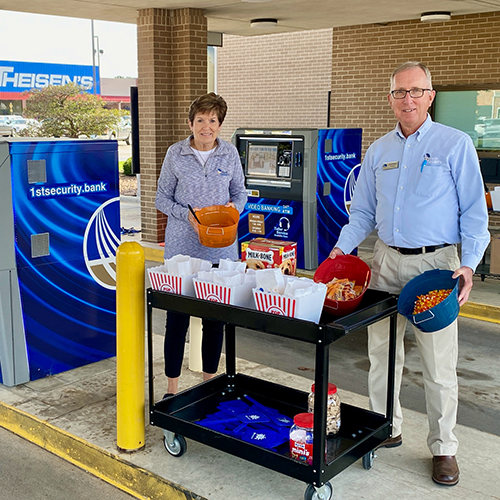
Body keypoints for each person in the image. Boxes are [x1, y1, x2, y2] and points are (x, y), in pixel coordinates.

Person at [329, 61, 490, 486]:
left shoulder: (455, 145)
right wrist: (339, 251)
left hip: (436, 266)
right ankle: (388, 426)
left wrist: (468, 265)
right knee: (382, 354)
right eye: (400, 93)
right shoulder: (379, 150)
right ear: (390, 99)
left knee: (439, 363)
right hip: (385, 261)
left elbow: (475, 213)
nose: (408, 99)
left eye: (416, 91)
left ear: (430, 96)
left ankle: (444, 448)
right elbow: (361, 211)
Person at [155, 92, 248, 396]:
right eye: (200, 120)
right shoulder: (175, 154)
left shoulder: (229, 154)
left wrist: (234, 208)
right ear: (190, 123)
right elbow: (161, 199)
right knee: (177, 320)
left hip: (221, 249)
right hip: (182, 250)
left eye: (213, 121)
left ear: (220, 125)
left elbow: (240, 193)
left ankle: (209, 385)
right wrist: (189, 217)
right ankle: (171, 388)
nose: (206, 127)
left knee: (214, 320)